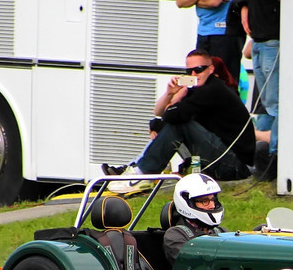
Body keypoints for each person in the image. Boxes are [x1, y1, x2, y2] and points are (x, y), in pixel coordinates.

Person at [106, 49, 255, 193]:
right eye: (189, 71)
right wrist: (170, 93)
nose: (194, 74)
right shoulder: (200, 90)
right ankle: (140, 169)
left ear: (210, 69)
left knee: (180, 125)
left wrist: (177, 100)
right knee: (175, 125)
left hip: (234, 165)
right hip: (225, 159)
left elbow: (172, 116)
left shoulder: (212, 90)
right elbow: (159, 112)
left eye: (198, 69)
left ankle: (143, 174)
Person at [175, 0, 242, 93]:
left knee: (224, 86)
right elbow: (180, 1)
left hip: (224, 30)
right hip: (203, 30)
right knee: (198, 83)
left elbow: (214, 0)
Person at [243, 0, 280, 180]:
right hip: (258, 40)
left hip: (273, 40)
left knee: (275, 105)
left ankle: (274, 160)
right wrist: (243, 7)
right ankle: (261, 158)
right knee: (266, 105)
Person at [163, 173, 226, 265]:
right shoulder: (176, 235)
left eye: (213, 200)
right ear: (188, 203)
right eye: (205, 201)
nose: (212, 206)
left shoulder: (221, 232)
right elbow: (192, 266)